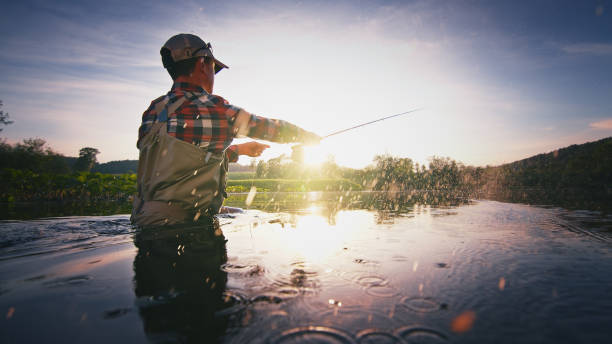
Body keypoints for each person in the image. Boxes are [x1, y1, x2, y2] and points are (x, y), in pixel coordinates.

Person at [131, 33, 320, 227]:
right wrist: (308, 137)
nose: (214, 75)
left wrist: (240, 150)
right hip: (182, 229)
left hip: (141, 219)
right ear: (202, 64)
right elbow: (267, 128)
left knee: (236, 211)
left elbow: (178, 163)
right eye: (214, 68)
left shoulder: (155, 109)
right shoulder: (212, 108)